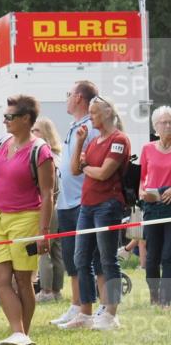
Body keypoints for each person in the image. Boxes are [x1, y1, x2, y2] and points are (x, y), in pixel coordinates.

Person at [0, 95, 55, 345]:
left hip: (26, 218)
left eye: (9, 117)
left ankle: (22, 334)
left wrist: (44, 232)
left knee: (23, 280)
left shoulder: (40, 150)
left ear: (26, 119)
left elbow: (47, 194)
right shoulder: (4, 144)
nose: (5, 121)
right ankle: (18, 332)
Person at [63, 96, 131, 330]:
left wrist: (86, 167)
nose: (90, 117)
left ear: (107, 112)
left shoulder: (119, 139)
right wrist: (80, 143)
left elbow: (104, 173)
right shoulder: (93, 142)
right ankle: (85, 313)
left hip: (108, 205)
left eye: (93, 113)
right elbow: (74, 169)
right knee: (81, 258)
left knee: (107, 258)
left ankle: (111, 313)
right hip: (87, 205)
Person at [51, 80, 103, 327]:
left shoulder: (91, 127)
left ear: (79, 97)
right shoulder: (74, 126)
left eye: (69, 94)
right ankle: (76, 305)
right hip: (66, 202)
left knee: (93, 257)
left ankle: (100, 308)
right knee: (73, 258)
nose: (67, 98)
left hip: (84, 200)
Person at [140, 105, 171, 307]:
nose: (168, 126)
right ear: (155, 126)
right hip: (152, 206)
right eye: (164, 122)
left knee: (168, 255)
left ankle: (166, 299)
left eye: (170, 122)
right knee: (152, 257)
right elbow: (142, 179)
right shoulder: (147, 149)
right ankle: (154, 297)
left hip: (170, 206)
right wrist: (143, 193)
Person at [32, 117, 64, 302]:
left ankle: (46, 291)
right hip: (59, 207)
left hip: (47, 206)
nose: (32, 133)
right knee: (56, 250)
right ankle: (57, 290)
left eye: (36, 130)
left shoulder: (44, 155)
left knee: (43, 249)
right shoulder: (59, 155)